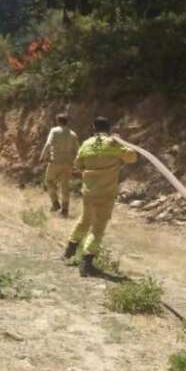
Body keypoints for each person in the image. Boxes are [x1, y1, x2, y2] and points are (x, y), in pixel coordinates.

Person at [63, 116, 137, 276]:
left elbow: (78, 164)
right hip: (105, 193)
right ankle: (86, 262)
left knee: (84, 220)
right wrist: (121, 142)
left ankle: (69, 250)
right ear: (109, 129)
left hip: (88, 192)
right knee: (97, 228)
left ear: (93, 128)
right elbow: (132, 157)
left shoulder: (86, 143)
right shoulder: (113, 144)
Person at [39, 114, 79, 217]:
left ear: (58, 121)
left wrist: (43, 156)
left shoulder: (54, 131)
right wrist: (76, 163)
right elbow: (77, 151)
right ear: (67, 122)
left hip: (55, 161)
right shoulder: (73, 134)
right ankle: (65, 209)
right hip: (68, 163)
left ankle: (55, 202)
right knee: (65, 186)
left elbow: (48, 144)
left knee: (49, 181)